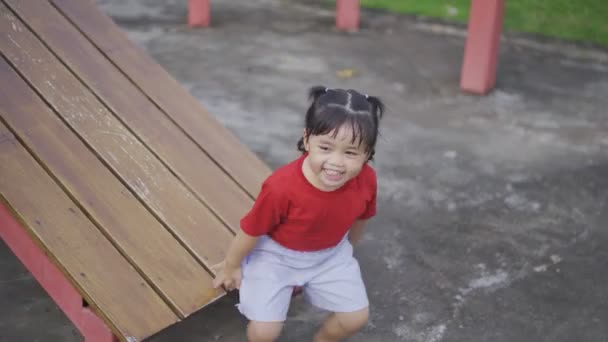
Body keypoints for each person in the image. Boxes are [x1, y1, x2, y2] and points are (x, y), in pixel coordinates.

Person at [212, 85, 385, 342]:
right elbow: (251, 230)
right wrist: (231, 265)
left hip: (329, 255)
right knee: (264, 332)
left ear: (367, 154)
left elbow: (361, 218)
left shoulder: (367, 180)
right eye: (325, 148)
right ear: (307, 140)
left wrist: (348, 249)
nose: (336, 162)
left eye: (350, 153)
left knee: (354, 318)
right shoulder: (281, 188)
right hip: (276, 257)